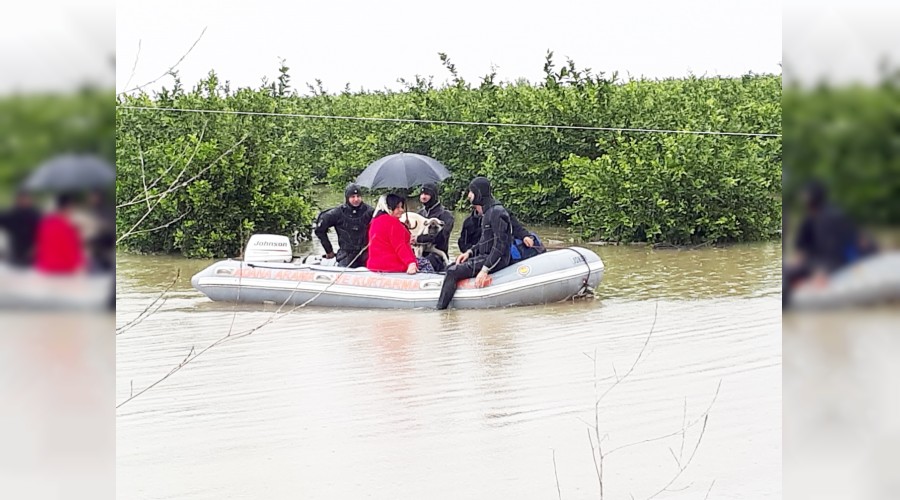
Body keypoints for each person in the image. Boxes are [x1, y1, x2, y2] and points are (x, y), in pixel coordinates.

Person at [783, 180, 876, 307]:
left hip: (834, 262)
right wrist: (795, 269)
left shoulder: (833, 218)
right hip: (814, 262)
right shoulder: (808, 221)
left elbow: (842, 248)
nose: (802, 198)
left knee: (817, 270)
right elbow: (802, 250)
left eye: (805, 195)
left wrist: (822, 272)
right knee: (787, 273)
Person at [437, 177, 512, 310]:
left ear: (478, 193)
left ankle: (440, 311)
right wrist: (469, 252)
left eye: (471, 192)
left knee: (453, 272)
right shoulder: (488, 212)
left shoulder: (497, 212)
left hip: (496, 260)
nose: (468, 196)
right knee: (451, 267)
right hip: (485, 256)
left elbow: (500, 245)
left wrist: (485, 270)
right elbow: (484, 241)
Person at [367, 194, 434, 274]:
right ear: (389, 208)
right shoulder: (392, 222)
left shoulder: (375, 221)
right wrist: (411, 263)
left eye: (401, 207)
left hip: (374, 265)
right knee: (425, 263)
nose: (402, 210)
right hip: (392, 265)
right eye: (398, 207)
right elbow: (400, 246)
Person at [458, 202, 543, 263]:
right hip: (481, 255)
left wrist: (525, 236)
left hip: (501, 253)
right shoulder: (469, 223)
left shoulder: (501, 213)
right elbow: (463, 244)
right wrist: (473, 252)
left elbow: (516, 227)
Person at [314, 183, 375, 268]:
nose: (356, 199)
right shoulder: (337, 213)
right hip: (346, 254)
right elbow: (319, 230)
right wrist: (329, 250)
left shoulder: (370, 212)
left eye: (358, 196)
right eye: (353, 197)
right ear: (347, 198)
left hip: (366, 253)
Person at [34, 193, 85, 274]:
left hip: (45, 268)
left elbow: (39, 245)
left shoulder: (45, 223)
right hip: (64, 270)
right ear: (68, 207)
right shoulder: (70, 228)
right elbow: (74, 254)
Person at [415, 182, 455, 272]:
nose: (423, 197)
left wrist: (418, 239)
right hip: (420, 253)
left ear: (434, 196)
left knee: (425, 262)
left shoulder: (446, 215)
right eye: (422, 194)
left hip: (438, 256)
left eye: (427, 194)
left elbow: (441, 238)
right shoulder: (419, 214)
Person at [0, 190, 42, 267]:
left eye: (26, 198)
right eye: (21, 198)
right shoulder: (11, 213)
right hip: (15, 252)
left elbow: (43, 233)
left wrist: (36, 247)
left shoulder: (36, 214)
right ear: (17, 200)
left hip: (32, 252)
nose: (24, 201)